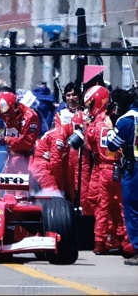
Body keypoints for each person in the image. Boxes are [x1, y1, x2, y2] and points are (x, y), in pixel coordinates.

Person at [84, 86, 127, 255]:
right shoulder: (120, 120)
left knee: (103, 207)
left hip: (103, 170)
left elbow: (90, 145)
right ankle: (127, 242)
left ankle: (99, 242)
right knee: (123, 207)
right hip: (120, 169)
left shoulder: (95, 124)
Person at [105, 87, 138, 265]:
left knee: (132, 211)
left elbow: (112, 145)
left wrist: (110, 128)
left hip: (134, 169)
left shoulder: (126, 120)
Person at [0, 91, 40, 174]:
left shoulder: (30, 117)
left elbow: (27, 143)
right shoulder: (4, 111)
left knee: (24, 184)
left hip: (26, 158)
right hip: (10, 155)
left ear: (15, 107)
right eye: (4, 115)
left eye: (8, 114)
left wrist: (5, 139)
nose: (6, 117)